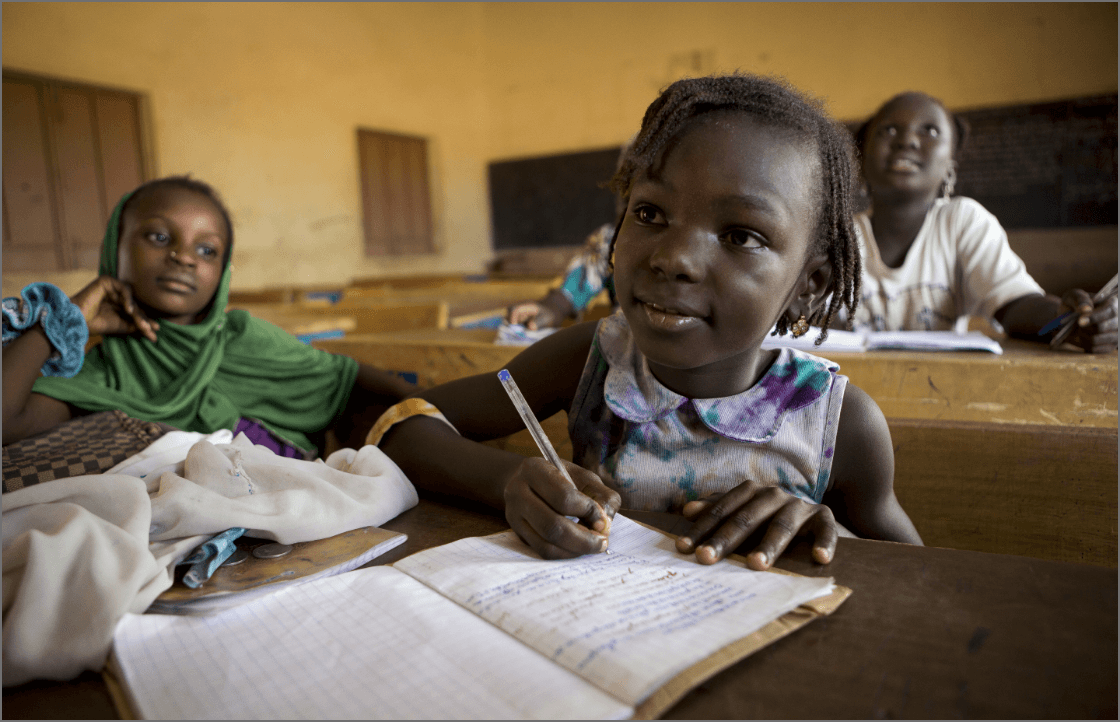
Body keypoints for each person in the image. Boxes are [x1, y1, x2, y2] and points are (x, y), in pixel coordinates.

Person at [375, 74, 923, 571]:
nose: (673, 258)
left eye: (740, 236)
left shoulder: (839, 423)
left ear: (811, 285)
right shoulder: (591, 362)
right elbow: (401, 426)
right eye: (650, 214)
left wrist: (837, 536)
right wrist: (507, 479)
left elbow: (920, 571)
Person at [2, 176, 415, 453]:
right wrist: (64, 318)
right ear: (115, 249)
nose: (183, 257)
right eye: (159, 237)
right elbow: (7, 423)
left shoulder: (243, 336)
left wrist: (421, 408)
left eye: (207, 250)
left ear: (223, 270)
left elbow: (346, 381)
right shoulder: (102, 373)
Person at [851, 91, 1117, 352]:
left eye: (930, 131)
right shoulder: (841, 234)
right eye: (888, 130)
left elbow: (1015, 304)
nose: (907, 140)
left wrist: (1069, 319)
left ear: (949, 170)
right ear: (861, 164)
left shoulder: (962, 222)